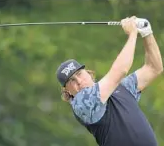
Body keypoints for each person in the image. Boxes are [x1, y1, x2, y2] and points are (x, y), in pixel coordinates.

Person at [56, 16, 163, 146]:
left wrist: (147, 32)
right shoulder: (82, 103)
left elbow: (154, 68)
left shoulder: (122, 88)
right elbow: (120, 71)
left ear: (89, 73)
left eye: (79, 73)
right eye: (71, 81)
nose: (78, 81)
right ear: (68, 92)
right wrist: (133, 33)